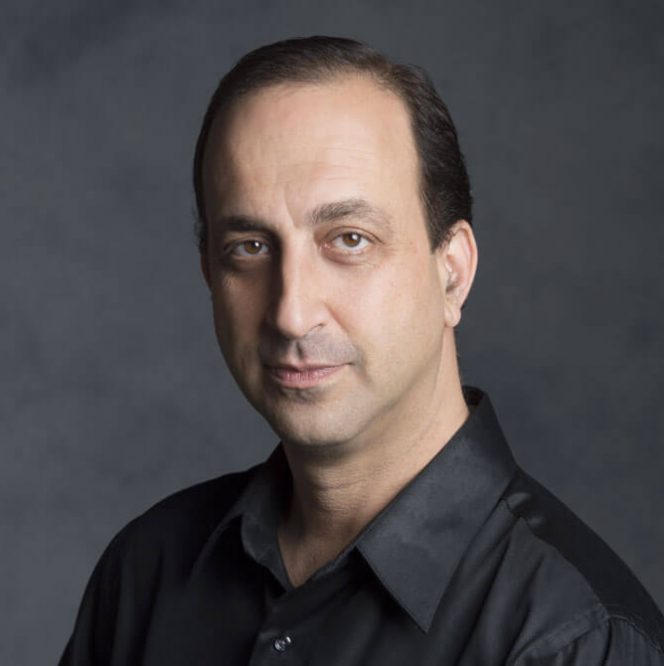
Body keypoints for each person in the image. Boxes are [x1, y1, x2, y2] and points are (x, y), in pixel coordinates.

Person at [59, 36, 664, 665]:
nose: (291, 312)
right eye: (250, 247)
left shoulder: (574, 641)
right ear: (209, 272)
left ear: (452, 273)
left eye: (349, 239)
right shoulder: (145, 575)